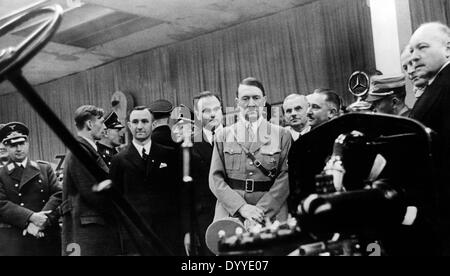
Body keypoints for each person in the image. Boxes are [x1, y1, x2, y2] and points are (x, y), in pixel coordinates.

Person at [209, 77, 291, 229]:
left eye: (256, 98)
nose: (251, 103)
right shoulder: (224, 135)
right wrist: (241, 207)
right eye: (245, 98)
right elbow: (215, 179)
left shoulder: (281, 135)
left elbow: (285, 178)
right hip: (232, 213)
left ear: (264, 100)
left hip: (271, 214)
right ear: (237, 102)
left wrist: (261, 211)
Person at [110, 106, 185, 255]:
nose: (139, 126)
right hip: (135, 238)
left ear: (153, 124)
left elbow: (180, 195)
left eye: (144, 121)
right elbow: (115, 202)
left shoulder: (169, 155)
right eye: (135, 122)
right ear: (129, 125)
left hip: (169, 236)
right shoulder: (118, 160)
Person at [408, 22, 450, 255]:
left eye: (422, 47)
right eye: (411, 50)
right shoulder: (437, 85)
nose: (414, 57)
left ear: (448, 49)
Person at [61, 105, 122, 256]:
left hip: (92, 229)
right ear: (90, 124)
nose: (104, 127)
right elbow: (93, 193)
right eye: (101, 122)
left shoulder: (86, 150)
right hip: (90, 232)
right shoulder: (81, 151)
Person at [0, 122, 62, 256]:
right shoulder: (1, 175)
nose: (18, 148)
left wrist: (41, 221)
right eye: (12, 145)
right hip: (17, 239)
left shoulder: (44, 169)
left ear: (27, 143)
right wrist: (30, 217)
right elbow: (2, 204)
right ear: (6, 146)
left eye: (21, 143)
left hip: (47, 236)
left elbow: (59, 194)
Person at [183, 91, 223, 256]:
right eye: (206, 110)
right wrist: (187, 230)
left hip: (238, 214)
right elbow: (185, 192)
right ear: (198, 114)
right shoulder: (189, 145)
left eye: (217, 109)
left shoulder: (237, 137)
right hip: (206, 218)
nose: (213, 114)